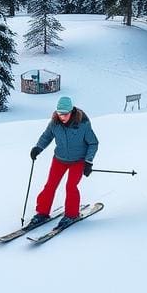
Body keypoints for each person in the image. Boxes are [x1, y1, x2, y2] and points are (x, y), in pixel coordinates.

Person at [28, 95, 99, 228]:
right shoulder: (55, 122)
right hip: (59, 159)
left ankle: (72, 214)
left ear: (71, 111)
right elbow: (46, 136)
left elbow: (93, 143)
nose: (63, 117)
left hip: (78, 161)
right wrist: (38, 148)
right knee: (50, 185)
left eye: (65, 114)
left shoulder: (83, 124)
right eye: (60, 114)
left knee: (71, 186)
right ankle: (42, 212)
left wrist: (88, 162)